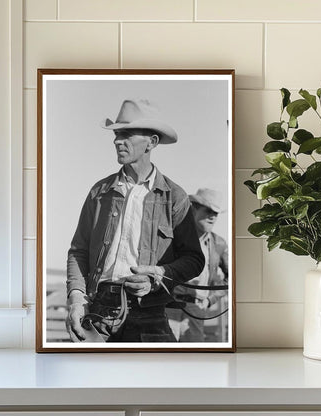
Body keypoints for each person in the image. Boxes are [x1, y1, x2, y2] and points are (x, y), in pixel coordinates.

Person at [66, 99, 205, 343]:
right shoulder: (100, 192)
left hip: (150, 313)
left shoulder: (175, 196)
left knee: (165, 378)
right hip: (98, 312)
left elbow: (194, 259)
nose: (117, 140)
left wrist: (159, 275)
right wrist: (76, 301)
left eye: (127, 134)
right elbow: (78, 251)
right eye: (117, 134)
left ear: (152, 142)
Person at [167, 188, 228, 342]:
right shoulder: (172, 237)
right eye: (209, 210)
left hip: (197, 311)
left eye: (216, 213)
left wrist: (210, 300)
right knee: (164, 357)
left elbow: (233, 278)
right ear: (194, 209)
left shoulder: (219, 243)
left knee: (193, 360)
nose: (213, 217)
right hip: (168, 307)